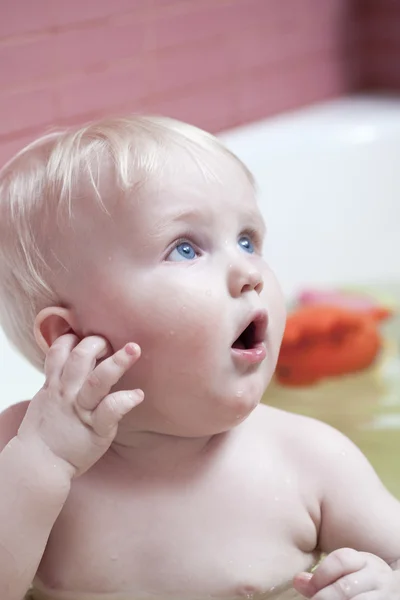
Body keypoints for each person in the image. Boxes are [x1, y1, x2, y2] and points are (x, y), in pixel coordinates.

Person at [0, 115, 399, 600]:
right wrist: (43, 463)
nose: (248, 272)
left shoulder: (310, 459)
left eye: (248, 240)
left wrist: (385, 586)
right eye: (185, 249)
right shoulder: (19, 453)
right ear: (70, 335)